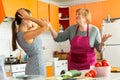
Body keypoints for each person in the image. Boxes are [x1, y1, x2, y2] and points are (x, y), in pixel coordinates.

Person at [47, 8, 112, 70]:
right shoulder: (71, 29)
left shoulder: (94, 30)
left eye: (79, 14)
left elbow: (99, 49)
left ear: (85, 17)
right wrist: (50, 26)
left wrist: (102, 42)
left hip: (89, 65)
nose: (76, 16)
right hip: (73, 65)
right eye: (76, 14)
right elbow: (58, 38)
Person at [12, 8, 48, 76]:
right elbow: (46, 26)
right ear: (24, 20)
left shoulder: (23, 34)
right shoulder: (26, 35)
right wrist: (28, 17)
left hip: (36, 65)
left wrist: (28, 18)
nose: (32, 21)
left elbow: (35, 26)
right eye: (30, 18)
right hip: (37, 66)